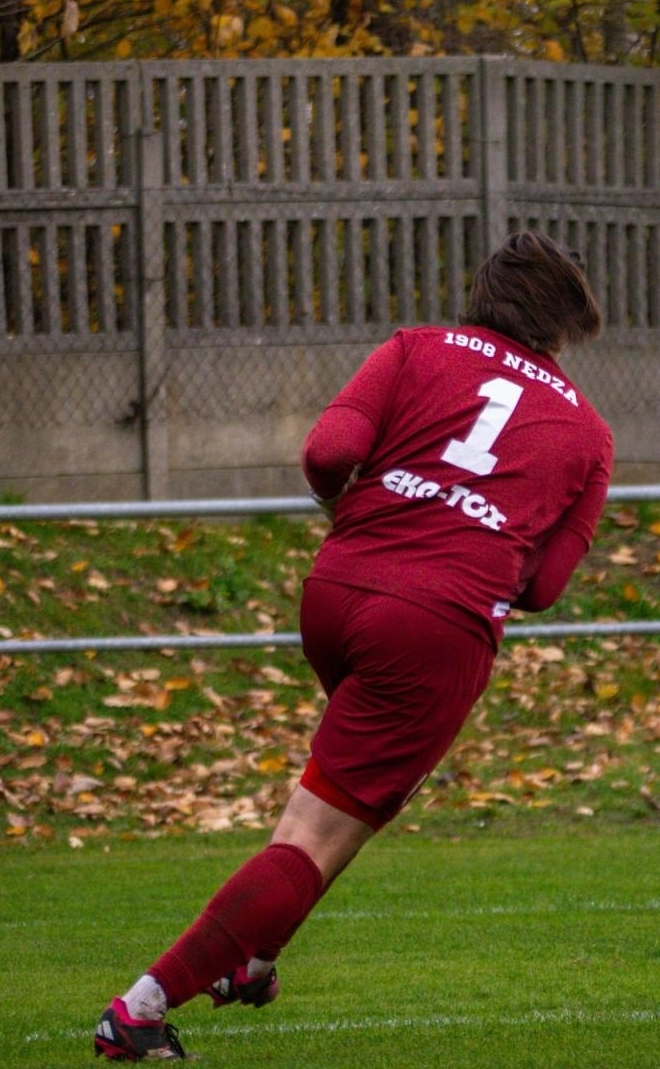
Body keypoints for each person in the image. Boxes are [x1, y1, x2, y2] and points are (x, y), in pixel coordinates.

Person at [91, 231, 614, 1061]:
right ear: (565, 325)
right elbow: (544, 587)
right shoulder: (586, 431)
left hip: (335, 595)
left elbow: (327, 454)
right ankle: (140, 1009)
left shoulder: (415, 346)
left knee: (346, 809)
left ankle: (256, 958)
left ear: (483, 296)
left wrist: (370, 511)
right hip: (434, 629)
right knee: (316, 834)